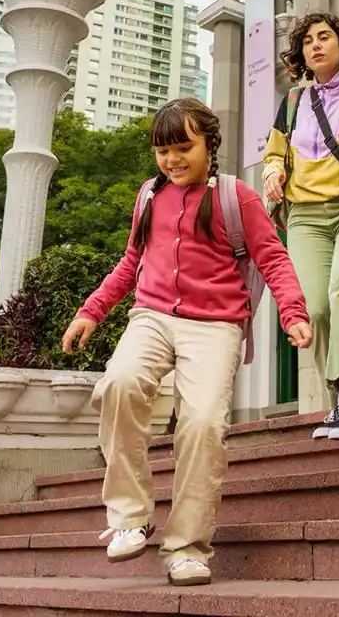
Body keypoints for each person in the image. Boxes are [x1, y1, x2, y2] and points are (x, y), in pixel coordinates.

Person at [61, 98, 312, 586]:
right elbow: (130, 264)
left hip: (215, 325)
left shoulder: (236, 197)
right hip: (151, 316)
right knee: (119, 384)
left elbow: (272, 258)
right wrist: (91, 311)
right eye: (162, 151)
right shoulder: (149, 197)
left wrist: (292, 312)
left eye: (183, 148)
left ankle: (187, 547)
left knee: (201, 424)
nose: (172, 160)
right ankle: (130, 517)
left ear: (209, 145)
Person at [262, 11, 339, 443]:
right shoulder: (293, 103)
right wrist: (273, 173)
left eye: (325, 37)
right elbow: (274, 152)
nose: (316, 46)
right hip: (305, 217)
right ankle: (336, 401)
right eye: (308, 41)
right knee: (312, 308)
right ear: (300, 53)